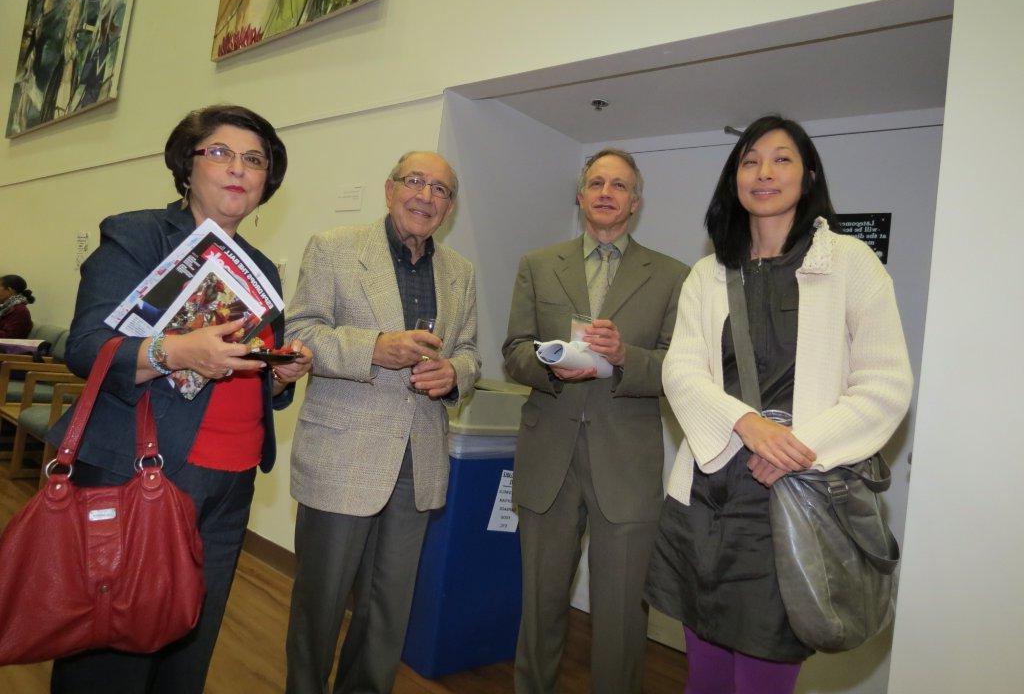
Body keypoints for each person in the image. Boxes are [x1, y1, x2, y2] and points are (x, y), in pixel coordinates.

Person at [44, 104, 312, 694]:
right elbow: (87, 346)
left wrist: (279, 377)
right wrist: (175, 352)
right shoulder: (140, 234)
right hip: (145, 473)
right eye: (219, 152)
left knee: (189, 647)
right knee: (112, 651)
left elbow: (239, 372)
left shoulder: (261, 267)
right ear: (186, 168)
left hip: (230, 482)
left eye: (254, 159)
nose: (238, 169)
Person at [644, 115, 913, 694]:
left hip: (792, 502)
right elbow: (681, 369)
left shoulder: (850, 263)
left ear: (808, 174)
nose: (764, 172)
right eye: (749, 160)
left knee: (763, 681)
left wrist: (797, 449)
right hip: (706, 494)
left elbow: (885, 384)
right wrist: (747, 426)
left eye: (782, 158)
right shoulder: (707, 274)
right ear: (733, 179)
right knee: (705, 678)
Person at [284, 150, 480, 694]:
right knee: (319, 606)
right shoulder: (334, 249)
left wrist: (455, 374)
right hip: (342, 455)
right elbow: (300, 334)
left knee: (387, 610)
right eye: (415, 182)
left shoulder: (460, 272)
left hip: (418, 461)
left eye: (440, 189)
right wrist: (374, 348)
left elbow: (468, 351)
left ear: (450, 206)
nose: (426, 195)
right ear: (390, 189)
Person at [503, 148, 688, 694]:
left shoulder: (672, 275)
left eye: (620, 185)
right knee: (540, 604)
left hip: (626, 467)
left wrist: (624, 355)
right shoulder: (538, 265)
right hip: (548, 459)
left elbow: (680, 369)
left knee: (623, 616)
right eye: (596, 183)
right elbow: (513, 349)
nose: (607, 192)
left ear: (635, 202)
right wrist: (553, 364)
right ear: (580, 195)